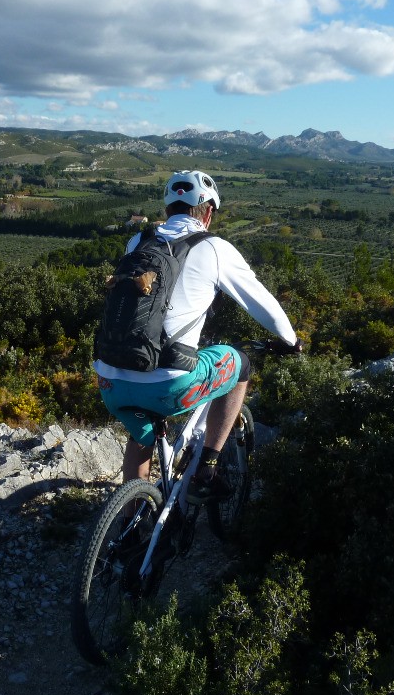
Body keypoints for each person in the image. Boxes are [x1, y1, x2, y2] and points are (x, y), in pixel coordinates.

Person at [94, 170, 302, 504]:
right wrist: (291, 340)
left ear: (167, 210)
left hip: (110, 380)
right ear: (207, 211)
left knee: (141, 432)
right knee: (241, 366)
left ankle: (134, 520)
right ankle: (207, 468)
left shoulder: (137, 242)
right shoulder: (214, 247)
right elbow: (264, 306)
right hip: (168, 382)